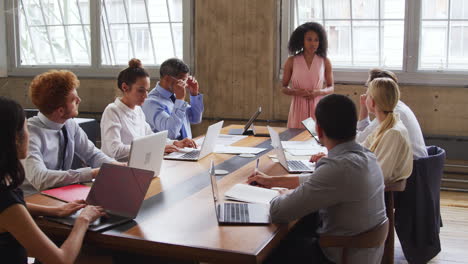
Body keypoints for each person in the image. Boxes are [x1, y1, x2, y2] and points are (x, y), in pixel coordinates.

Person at [248, 94, 387, 264]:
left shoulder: (338, 169)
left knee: (267, 251)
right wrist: (272, 181)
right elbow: (317, 181)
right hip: (363, 254)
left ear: (319, 130)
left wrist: (282, 194)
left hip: (340, 256)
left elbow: (278, 211)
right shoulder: (367, 156)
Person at [0, 96, 105, 264]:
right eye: (26, 127)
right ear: (15, 139)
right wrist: (83, 220)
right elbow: (61, 260)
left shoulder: (6, 193)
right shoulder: (6, 201)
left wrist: (54, 211)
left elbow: (16, 208)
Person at [22, 70, 116, 196]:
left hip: (59, 193)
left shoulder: (69, 124)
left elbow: (92, 154)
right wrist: (92, 173)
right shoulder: (30, 134)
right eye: (74, 99)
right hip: (32, 199)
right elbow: (41, 179)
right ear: (60, 111)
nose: (79, 100)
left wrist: (115, 166)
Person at [101, 59, 197, 161]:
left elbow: (152, 138)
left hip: (137, 166)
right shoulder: (112, 111)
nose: (146, 95)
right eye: (141, 90)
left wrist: (175, 143)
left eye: (147, 90)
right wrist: (156, 148)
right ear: (125, 87)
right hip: (116, 170)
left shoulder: (138, 111)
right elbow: (115, 151)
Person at [357, 68, 428, 158]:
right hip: (419, 165)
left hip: (413, 168)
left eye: (368, 88)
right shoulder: (395, 106)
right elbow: (366, 136)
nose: (366, 93)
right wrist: (364, 107)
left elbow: (359, 142)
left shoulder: (390, 114)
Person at [282, 22, 334, 128]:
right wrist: (296, 92)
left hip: (317, 106)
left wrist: (318, 92)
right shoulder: (291, 61)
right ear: (302, 40)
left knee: (316, 140)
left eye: (316, 40)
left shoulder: (325, 61)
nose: (313, 43)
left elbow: (331, 87)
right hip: (298, 107)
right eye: (309, 39)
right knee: (295, 140)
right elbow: (283, 87)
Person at [361, 77, 413, 183]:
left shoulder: (393, 132)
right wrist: (333, 158)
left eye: (367, 95)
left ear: (372, 102)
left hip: (376, 189)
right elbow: (361, 148)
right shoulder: (386, 125)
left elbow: (381, 174)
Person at [142, 58, 204, 140]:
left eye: (186, 80)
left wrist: (194, 94)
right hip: (168, 152)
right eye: (182, 80)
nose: (185, 84)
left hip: (186, 149)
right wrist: (180, 100)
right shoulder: (151, 103)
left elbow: (195, 119)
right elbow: (171, 134)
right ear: (167, 78)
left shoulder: (174, 96)